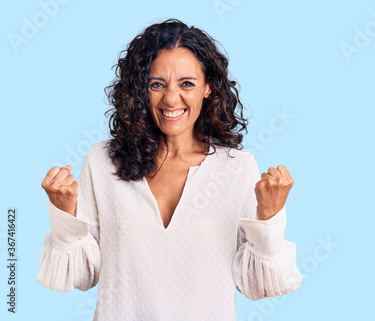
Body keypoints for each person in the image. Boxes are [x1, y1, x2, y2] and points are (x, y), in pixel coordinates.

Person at [37, 18, 302, 320]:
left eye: (186, 83)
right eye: (156, 84)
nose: (171, 98)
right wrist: (64, 214)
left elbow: (255, 286)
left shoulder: (237, 168)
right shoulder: (103, 161)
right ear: (141, 90)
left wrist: (269, 217)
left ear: (208, 88)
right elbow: (83, 275)